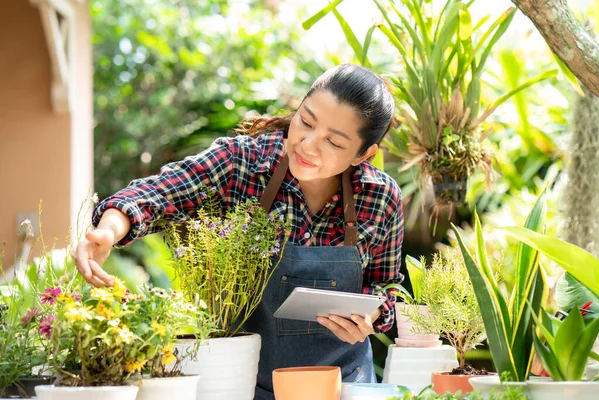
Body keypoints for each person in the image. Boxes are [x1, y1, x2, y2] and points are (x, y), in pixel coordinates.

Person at [74, 63, 404, 399]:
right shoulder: (244, 162)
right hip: (243, 384)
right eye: (305, 121)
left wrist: (373, 314)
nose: (308, 144)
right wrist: (109, 230)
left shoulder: (380, 198)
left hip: (344, 386)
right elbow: (161, 192)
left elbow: (386, 286)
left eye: (334, 141)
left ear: (364, 154)